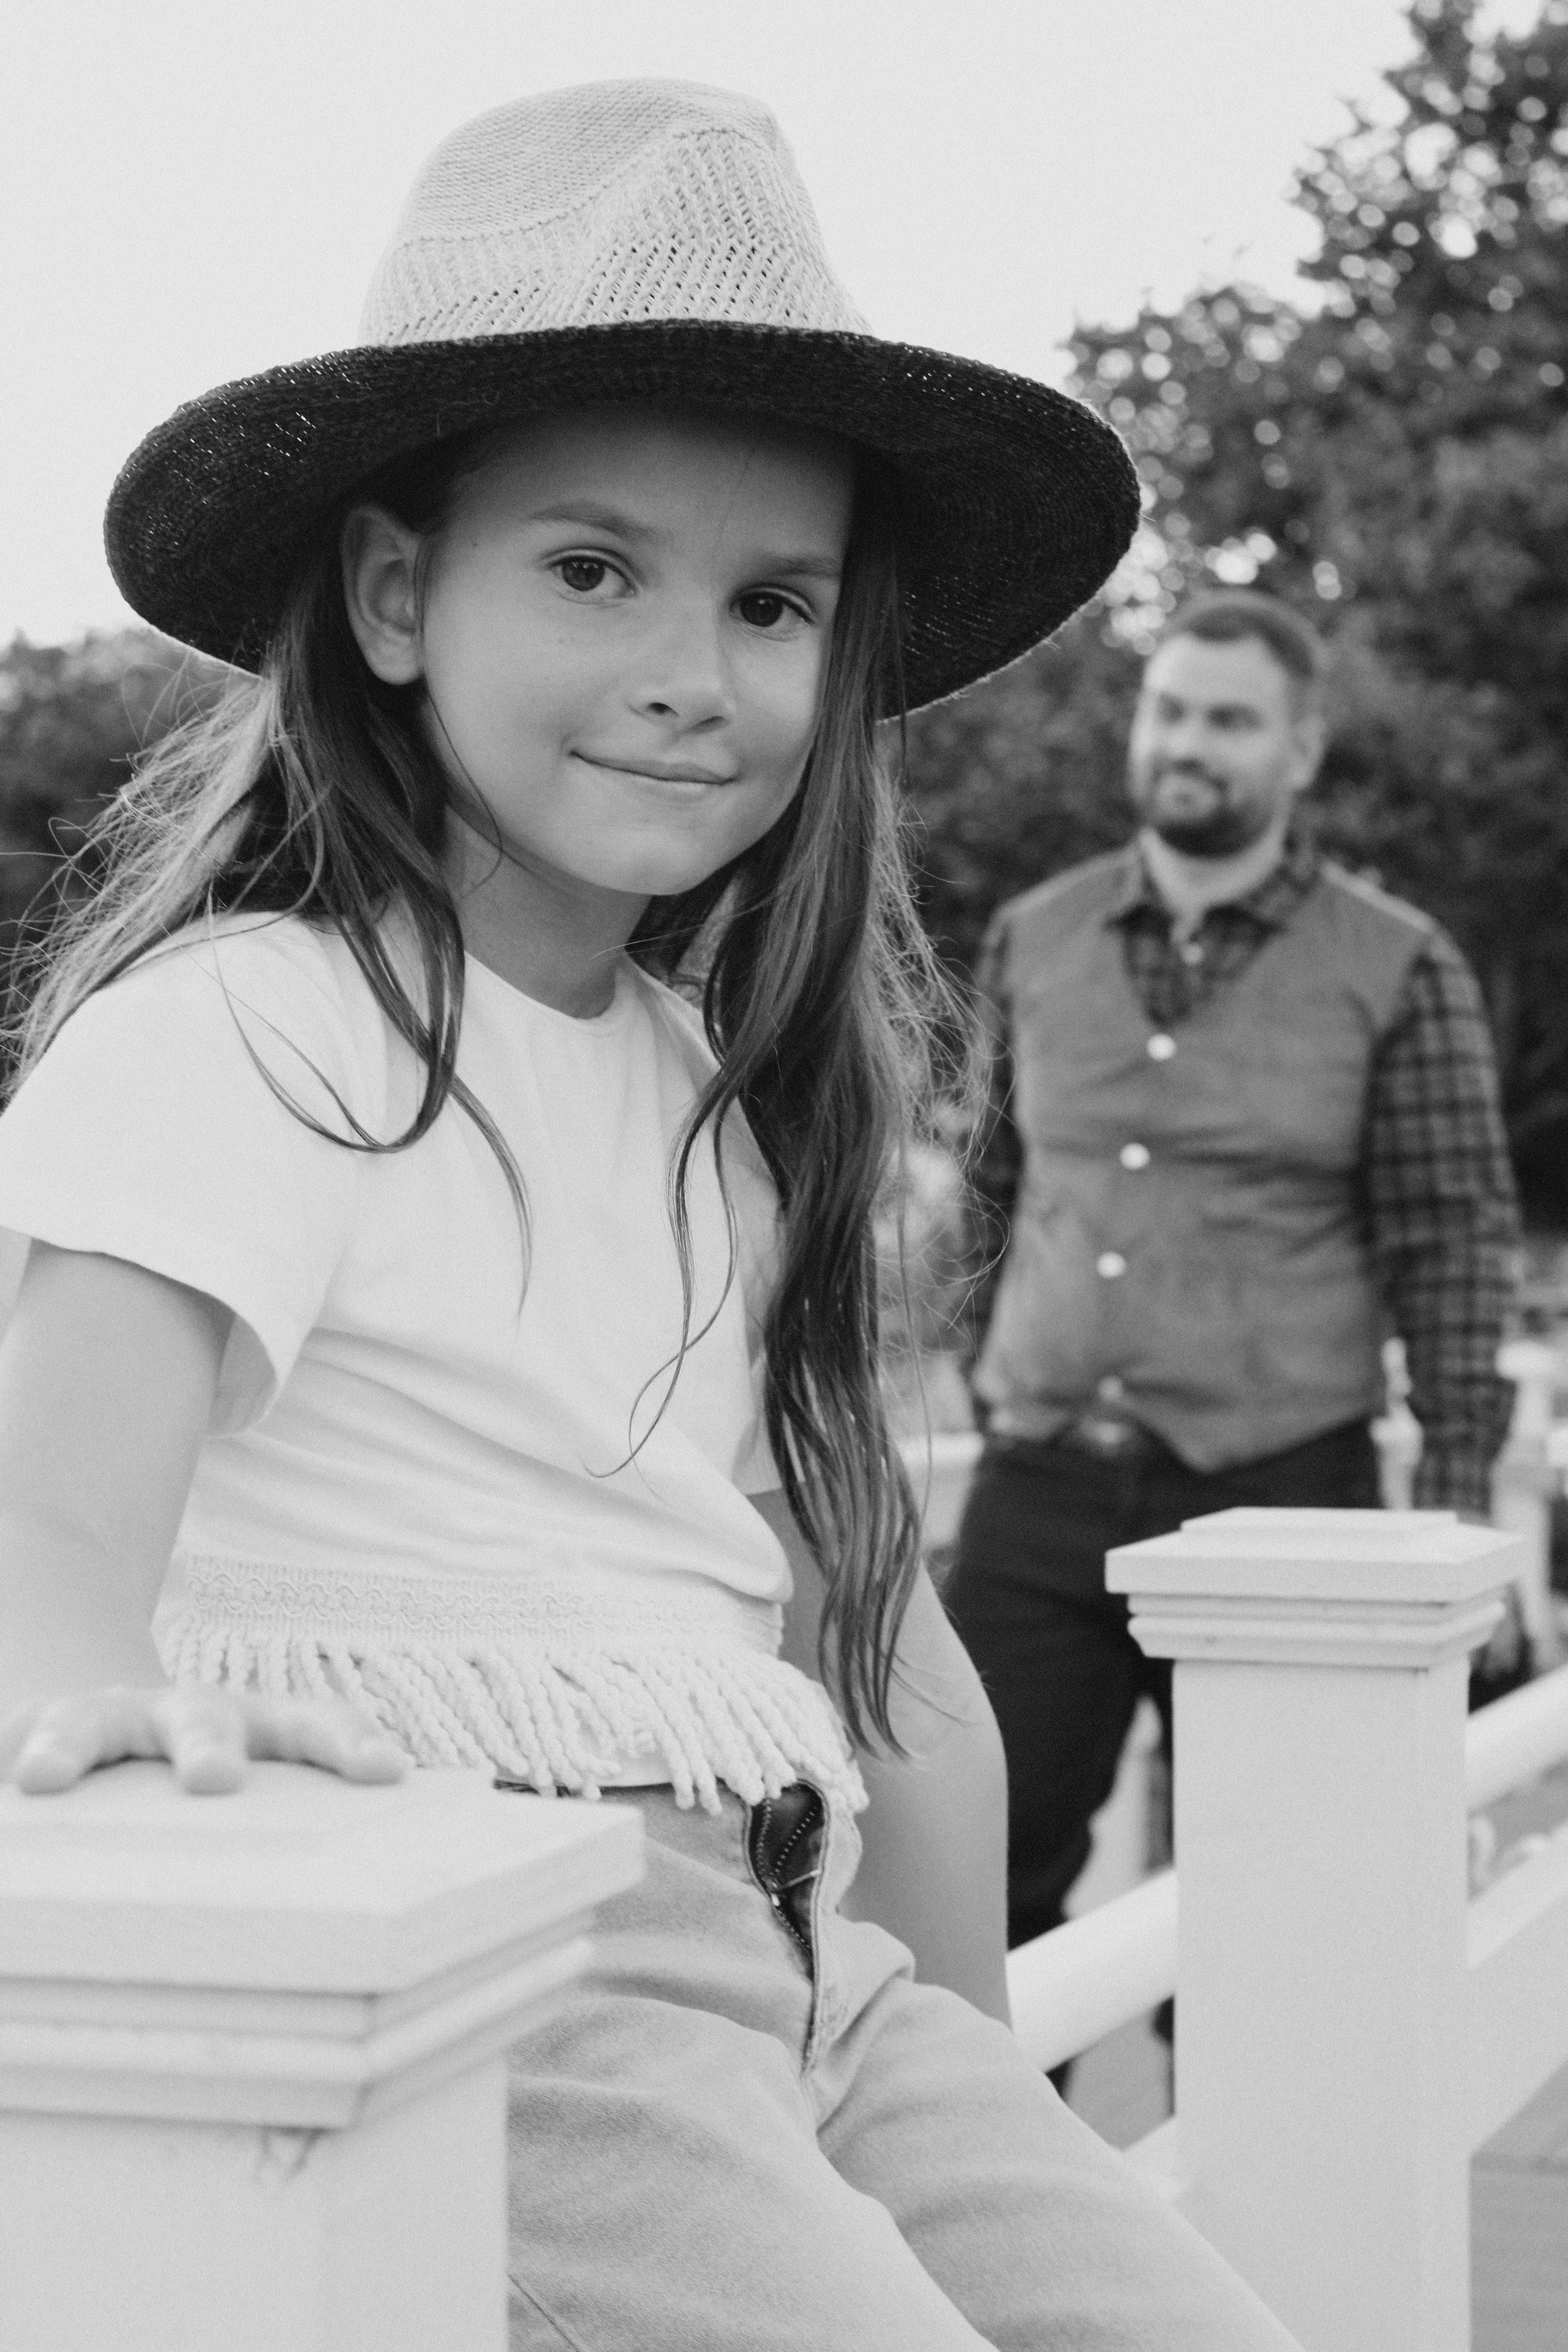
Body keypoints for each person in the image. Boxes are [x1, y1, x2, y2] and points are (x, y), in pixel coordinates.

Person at [0, 84, 1297, 2352]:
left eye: (774, 599)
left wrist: (957, 2082)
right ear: (398, 594)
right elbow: (40, 1532)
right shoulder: (252, 1037)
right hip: (528, 1975)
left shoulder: (720, 1100)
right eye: (592, 569)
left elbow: (863, 1643)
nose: (697, 669)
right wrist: (109, 1727)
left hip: (802, 1966)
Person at [944, 587, 1521, 1974]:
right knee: (967, 1886)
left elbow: (1450, 1243)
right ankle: (1000, 2191)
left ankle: (1225, 2196)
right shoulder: (1035, 932)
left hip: (1279, 1497)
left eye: (1227, 719)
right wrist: (987, 1366)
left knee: (1270, 1912)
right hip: (1037, 1493)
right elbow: (987, 1187)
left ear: (1298, 753)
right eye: (1168, 709)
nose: (1186, 742)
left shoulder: (1396, 963)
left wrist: (1442, 1521)